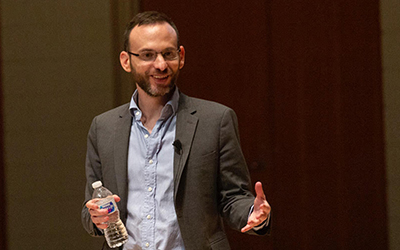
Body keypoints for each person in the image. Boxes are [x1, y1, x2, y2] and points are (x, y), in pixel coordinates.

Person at [81, 11, 271, 250]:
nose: (160, 65)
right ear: (126, 61)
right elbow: (91, 211)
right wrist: (97, 218)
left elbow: (233, 197)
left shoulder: (215, 120)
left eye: (168, 54)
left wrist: (254, 212)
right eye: (148, 55)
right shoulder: (104, 128)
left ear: (180, 56)